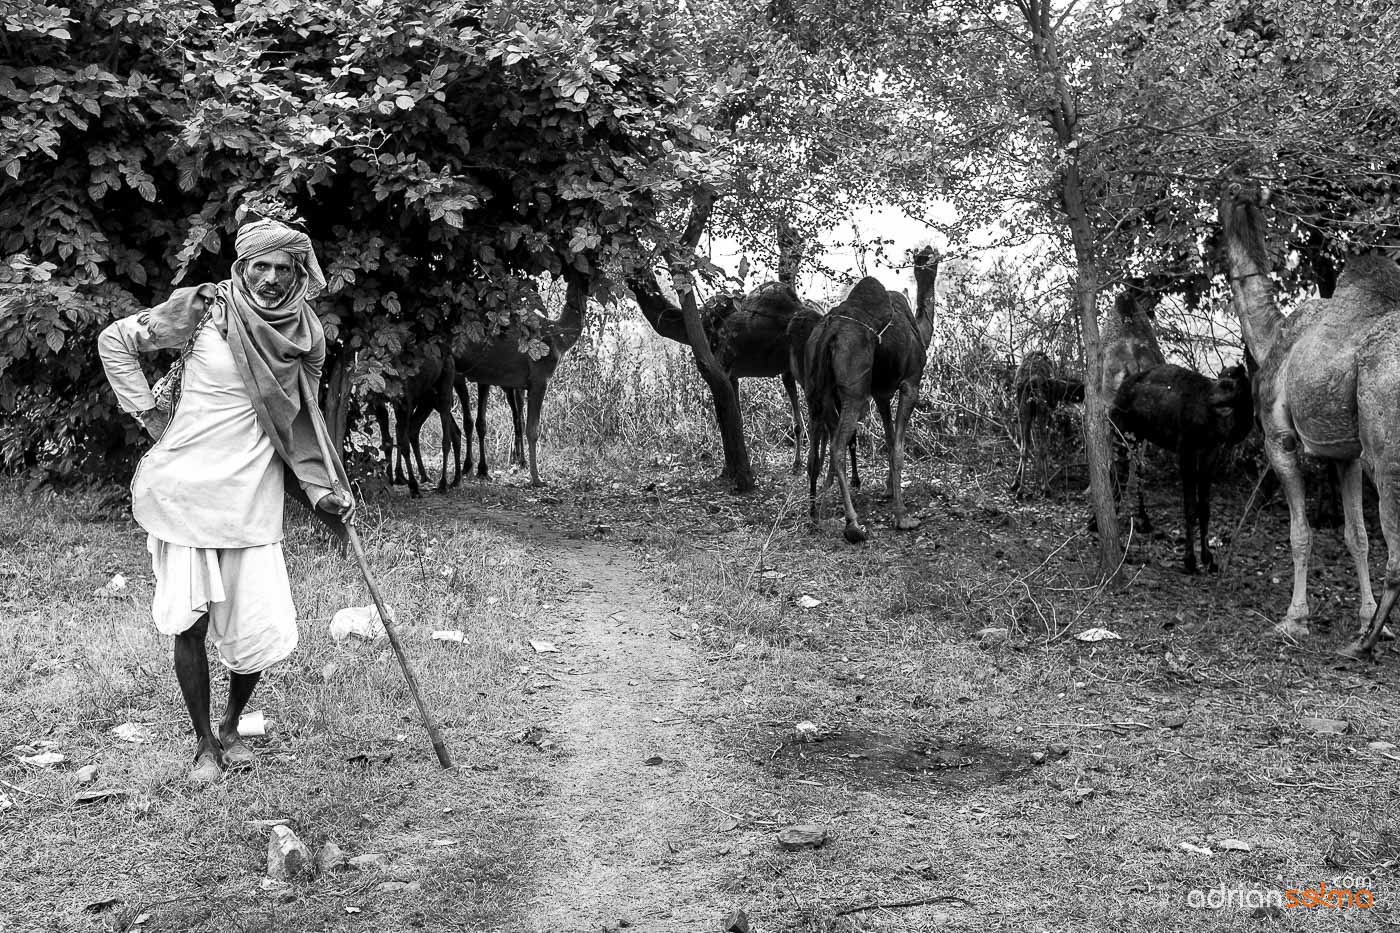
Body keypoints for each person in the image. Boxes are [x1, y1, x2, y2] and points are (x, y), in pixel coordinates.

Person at [99, 217, 354, 786]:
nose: (269, 278)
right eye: (259, 266)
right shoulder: (204, 310)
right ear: (241, 268)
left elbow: (303, 426)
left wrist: (320, 489)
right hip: (185, 490)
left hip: (250, 496)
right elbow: (115, 340)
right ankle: (203, 745)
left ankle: (232, 725)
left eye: (282, 269)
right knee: (188, 622)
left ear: (298, 276)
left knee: (254, 628)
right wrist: (148, 411)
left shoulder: (304, 336)